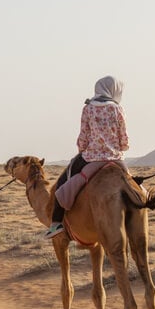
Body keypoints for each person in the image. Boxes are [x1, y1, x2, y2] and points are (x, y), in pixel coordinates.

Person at [44, 75, 129, 238]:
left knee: (63, 182)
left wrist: (82, 150)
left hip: (91, 158)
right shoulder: (117, 109)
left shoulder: (88, 108)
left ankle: (56, 223)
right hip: (115, 158)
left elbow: (83, 136)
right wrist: (121, 147)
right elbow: (123, 138)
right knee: (134, 184)